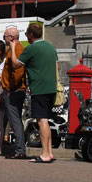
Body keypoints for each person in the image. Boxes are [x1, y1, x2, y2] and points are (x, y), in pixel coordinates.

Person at [10, 23, 57, 163]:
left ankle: (44, 154)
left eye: (27, 35)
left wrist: (13, 48)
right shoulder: (50, 46)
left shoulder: (32, 48)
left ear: (30, 35)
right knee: (45, 120)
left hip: (39, 88)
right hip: (51, 87)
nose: (27, 37)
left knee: (41, 120)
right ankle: (49, 152)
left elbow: (15, 64)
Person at [1, 28, 27, 159]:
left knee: (15, 121)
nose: (3, 38)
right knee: (15, 121)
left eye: (4, 36)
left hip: (14, 91)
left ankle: (20, 149)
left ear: (11, 37)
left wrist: (9, 87)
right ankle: (19, 148)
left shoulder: (17, 49)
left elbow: (18, 72)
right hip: (14, 90)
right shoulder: (15, 49)